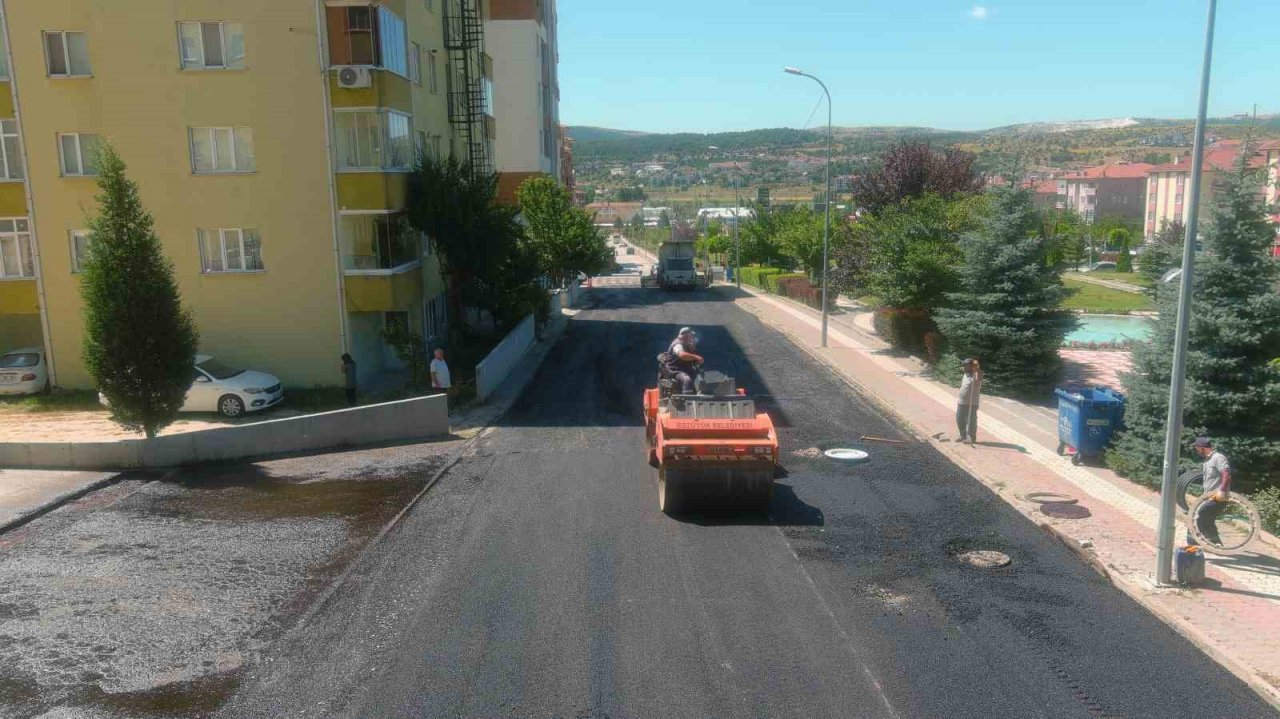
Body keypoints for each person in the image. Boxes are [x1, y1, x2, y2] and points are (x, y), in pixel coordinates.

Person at [1192, 437, 1231, 546]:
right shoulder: (1208, 460)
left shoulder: (1218, 458)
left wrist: (1221, 491)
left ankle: (1194, 543)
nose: (1197, 451)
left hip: (1218, 497)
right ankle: (1215, 543)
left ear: (1203, 448)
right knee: (1208, 519)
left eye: (1197, 448)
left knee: (1199, 516)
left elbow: (1226, 475)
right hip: (1209, 497)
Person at [663, 327, 704, 394]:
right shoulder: (677, 344)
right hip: (675, 370)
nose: (692, 338)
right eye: (690, 336)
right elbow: (682, 355)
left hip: (685, 369)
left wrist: (692, 349)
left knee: (701, 378)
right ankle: (687, 400)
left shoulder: (687, 344)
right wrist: (696, 357)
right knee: (686, 379)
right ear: (685, 335)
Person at [956, 358, 982, 445]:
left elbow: (980, 377)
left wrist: (977, 368)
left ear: (971, 366)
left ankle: (971, 437)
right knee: (959, 419)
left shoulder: (975, 375)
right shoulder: (965, 375)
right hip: (961, 402)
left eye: (965, 365)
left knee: (971, 421)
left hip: (972, 403)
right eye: (963, 365)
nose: (963, 367)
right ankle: (963, 435)